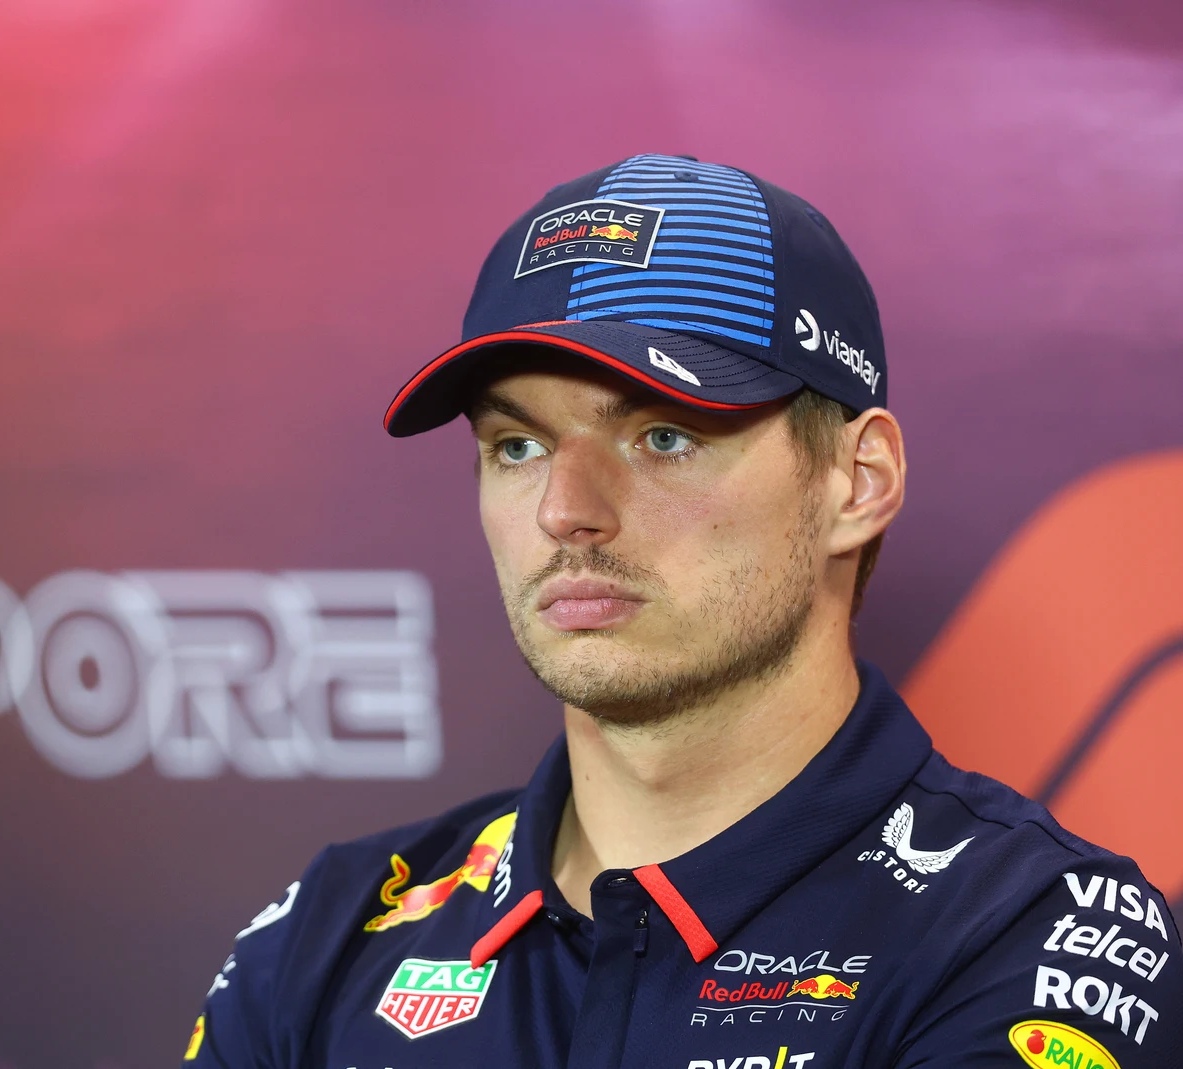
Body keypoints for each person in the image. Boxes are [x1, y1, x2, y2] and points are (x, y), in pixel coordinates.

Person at [178, 154, 1179, 1068]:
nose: (566, 512)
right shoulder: (330, 932)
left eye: (662, 436)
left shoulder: (1029, 934)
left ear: (855, 481)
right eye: (515, 447)